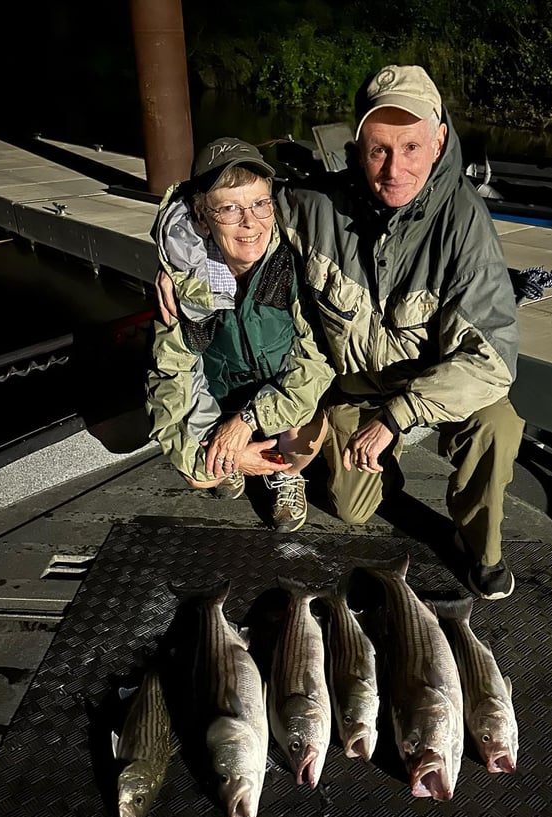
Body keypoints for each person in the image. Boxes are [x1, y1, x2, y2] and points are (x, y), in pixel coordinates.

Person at [156, 67, 524, 599]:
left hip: (436, 388)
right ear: (358, 147)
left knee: (497, 427)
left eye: (412, 147)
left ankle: (482, 552)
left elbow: (491, 360)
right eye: (378, 150)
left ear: (439, 139)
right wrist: (173, 260)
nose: (394, 168)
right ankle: (380, 463)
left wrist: (400, 416)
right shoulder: (317, 204)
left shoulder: (466, 224)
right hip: (357, 389)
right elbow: (236, 206)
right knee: (353, 510)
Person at [148, 138, 333, 532]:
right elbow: (171, 379)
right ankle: (232, 459)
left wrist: (249, 422)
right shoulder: (183, 285)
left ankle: (285, 474)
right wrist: (219, 452)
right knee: (200, 474)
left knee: (303, 441)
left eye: (260, 204)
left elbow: (318, 364)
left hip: (281, 404)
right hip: (221, 402)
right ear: (202, 217)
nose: (250, 223)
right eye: (230, 208)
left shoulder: (294, 264)